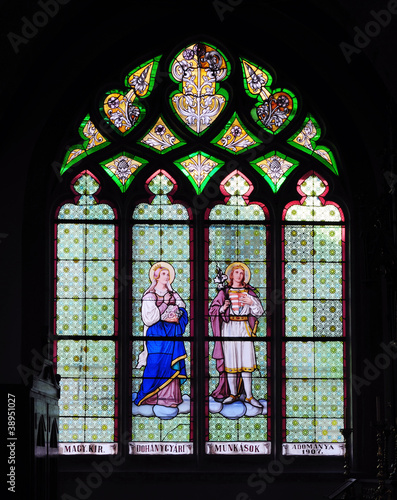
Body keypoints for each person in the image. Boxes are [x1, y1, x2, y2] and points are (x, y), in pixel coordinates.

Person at [209, 262, 264, 408]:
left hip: (244, 328)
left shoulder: (249, 292)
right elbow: (213, 311)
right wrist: (223, 308)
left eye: (242, 273)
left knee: (247, 361)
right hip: (228, 328)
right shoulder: (224, 292)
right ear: (231, 275)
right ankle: (233, 394)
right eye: (236, 272)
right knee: (231, 361)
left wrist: (251, 301)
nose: (239, 275)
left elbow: (259, 312)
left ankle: (249, 396)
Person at [134, 261, 188, 407]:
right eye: (164, 273)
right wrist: (164, 303)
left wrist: (178, 315)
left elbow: (183, 309)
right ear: (156, 276)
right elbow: (149, 318)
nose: (167, 276)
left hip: (172, 334)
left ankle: (170, 398)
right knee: (155, 362)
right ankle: (147, 396)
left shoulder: (173, 294)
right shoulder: (149, 295)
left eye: (168, 274)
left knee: (171, 363)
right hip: (156, 334)